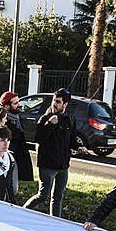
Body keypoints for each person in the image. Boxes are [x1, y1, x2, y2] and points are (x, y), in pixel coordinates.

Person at [22, 88, 86, 217]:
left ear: (65, 104)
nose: (54, 104)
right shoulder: (45, 118)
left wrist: (80, 146)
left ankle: (55, 220)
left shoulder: (69, 119)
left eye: (58, 102)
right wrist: (50, 125)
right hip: (47, 165)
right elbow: (38, 139)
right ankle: (22, 210)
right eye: (54, 101)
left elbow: (72, 138)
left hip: (63, 165)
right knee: (43, 195)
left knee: (58, 197)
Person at [0, 90, 33, 182]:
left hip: (17, 158)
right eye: (15, 103)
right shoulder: (3, 122)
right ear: (7, 106)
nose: (19, 105)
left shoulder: (18, 118)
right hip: (7, 159)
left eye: (18, 102)